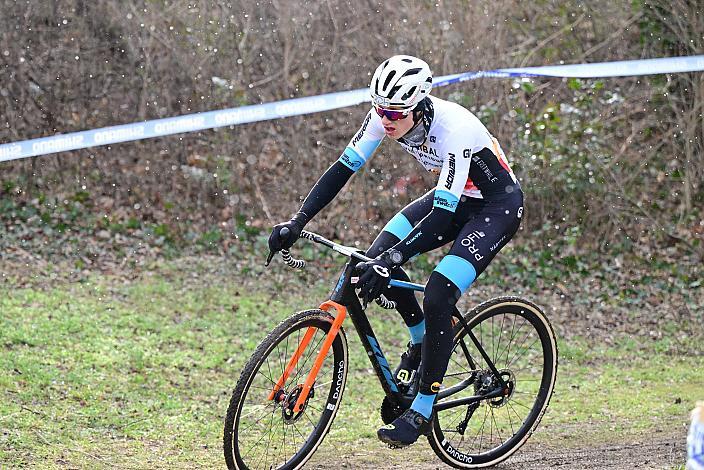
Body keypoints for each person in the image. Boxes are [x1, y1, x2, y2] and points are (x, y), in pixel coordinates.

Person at [267, 55, 523, 448]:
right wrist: (297, 221)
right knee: (372, 260)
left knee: (438, 293)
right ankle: (421, 341)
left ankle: (422, 407)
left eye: (395, 113)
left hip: (494, 206)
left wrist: (394, 260)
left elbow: (441, 215)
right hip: (451, 199)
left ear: (419, 107)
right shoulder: (383, 116)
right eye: (379, 110)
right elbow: (342, 169)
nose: (385, 120)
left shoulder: (454, 129)